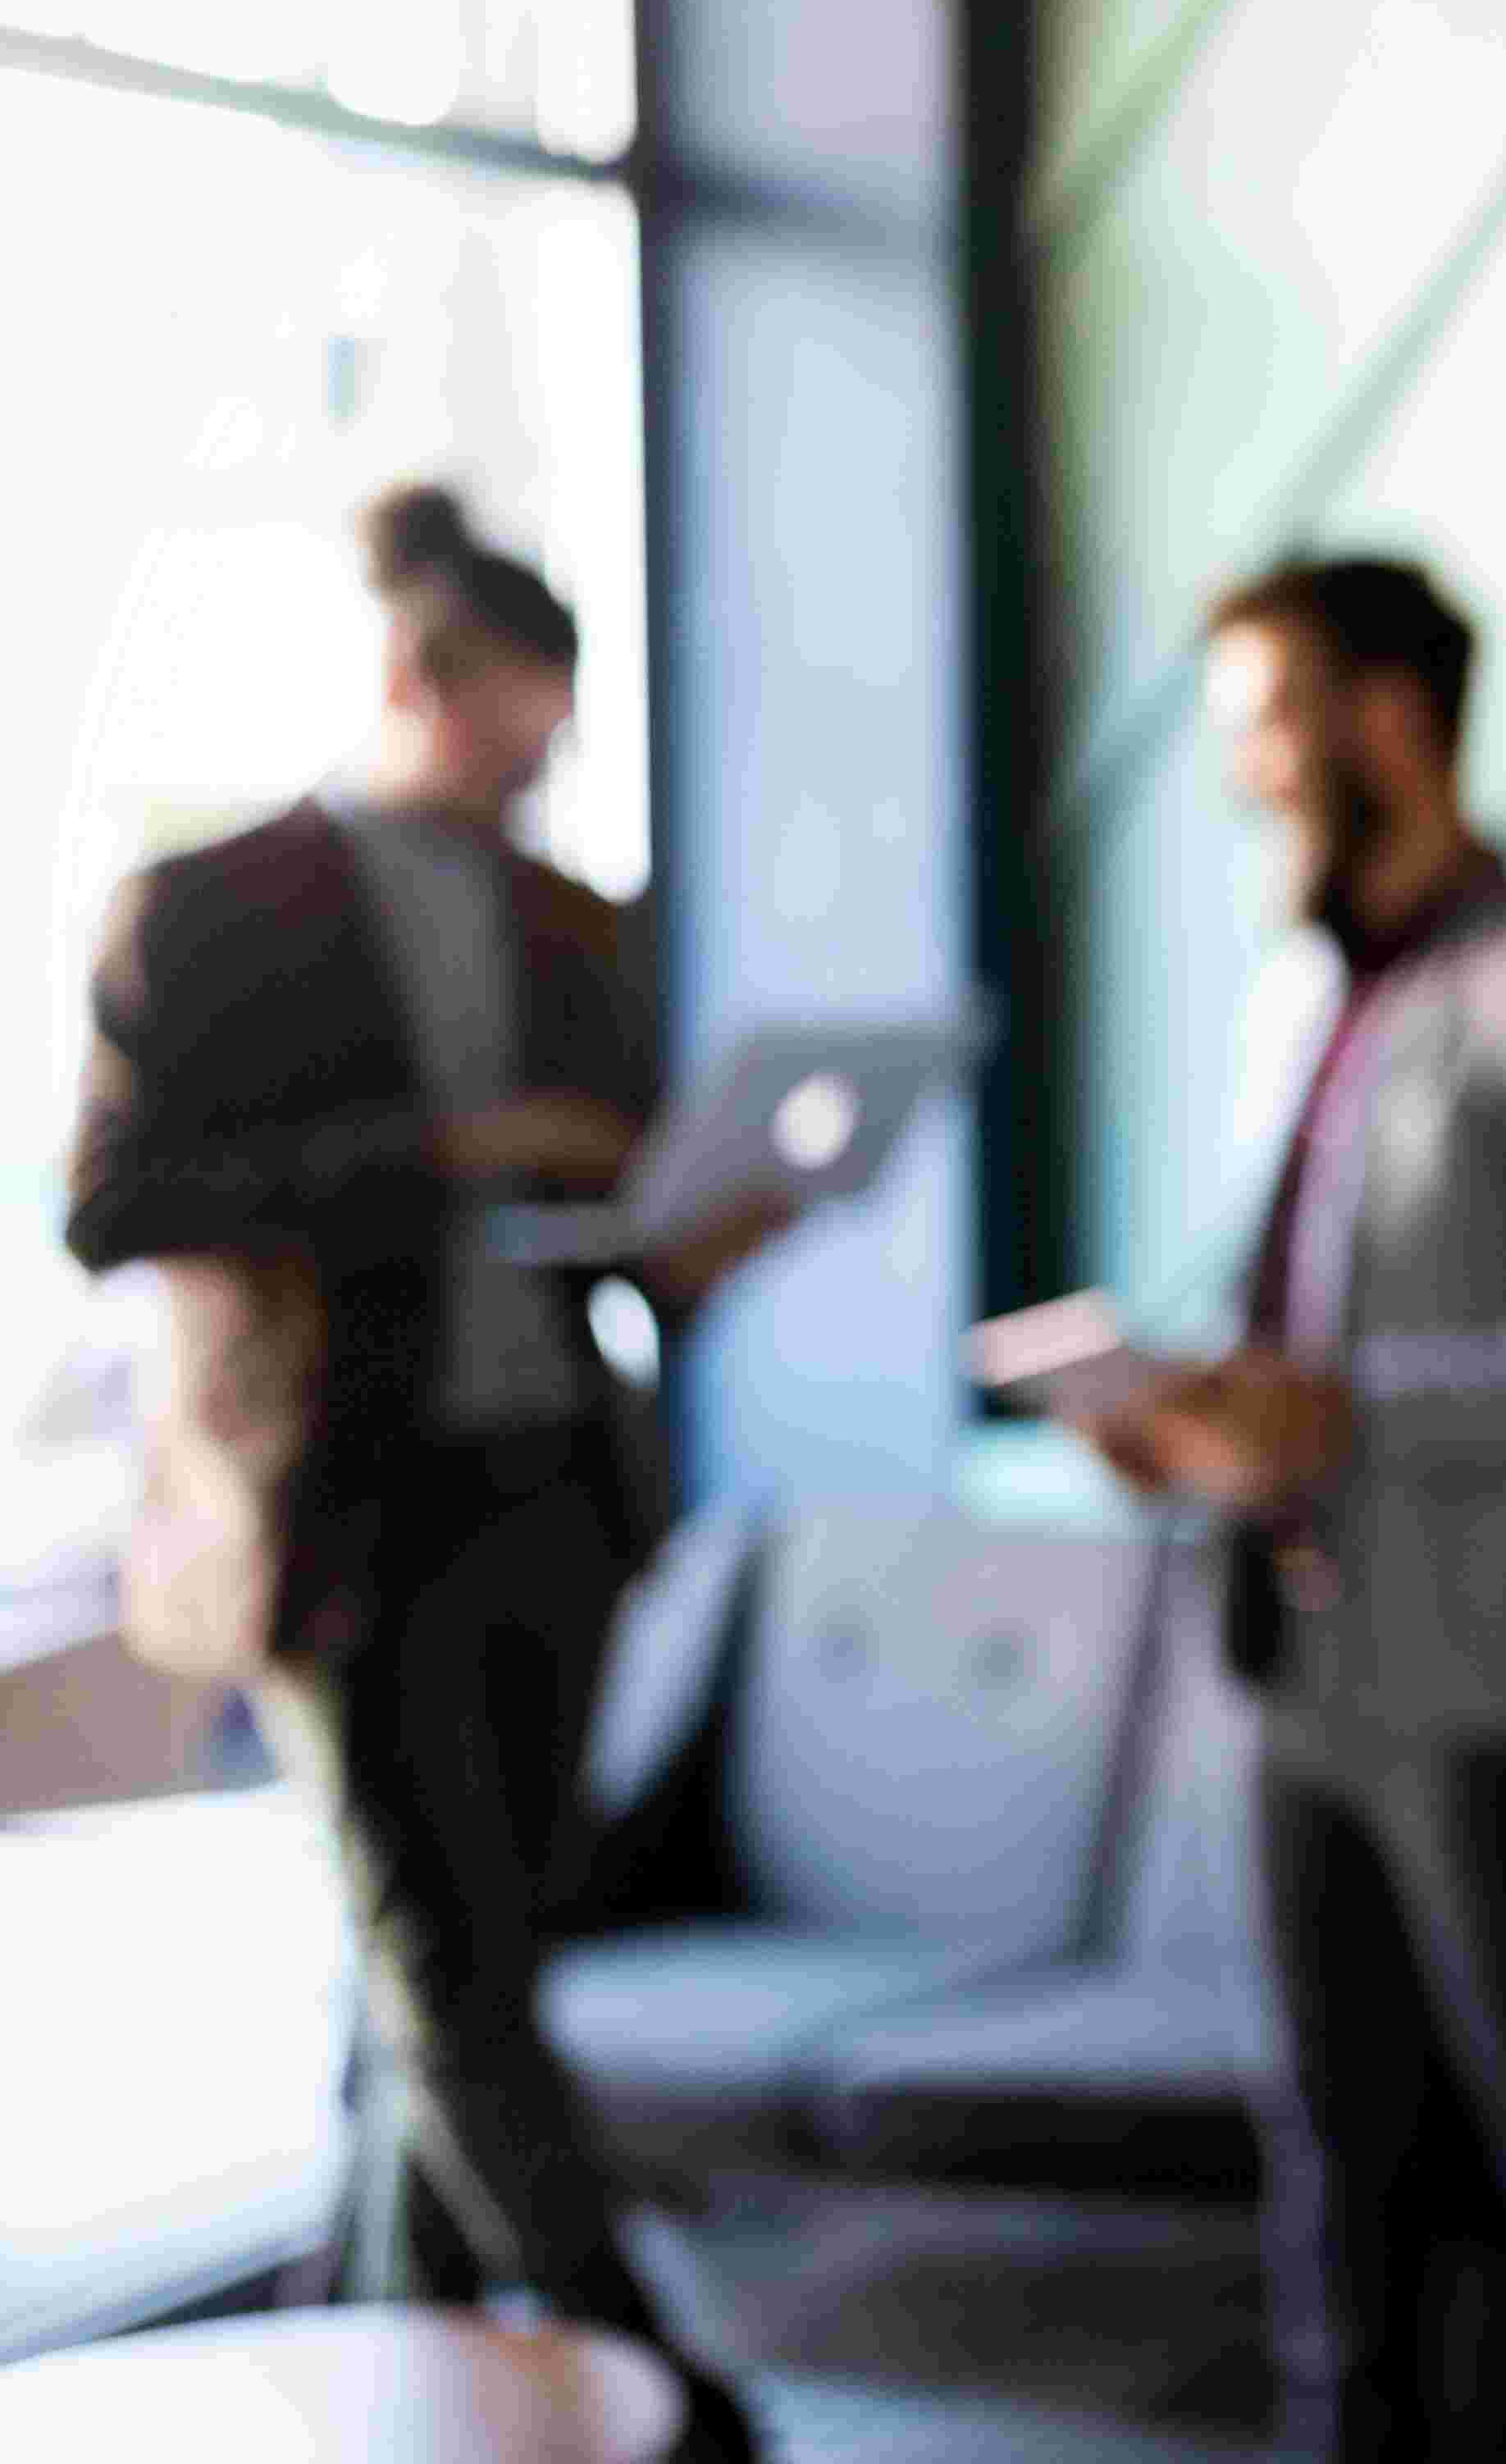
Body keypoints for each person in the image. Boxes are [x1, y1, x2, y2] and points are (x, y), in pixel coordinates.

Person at [64, 484, 779, 2462]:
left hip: (548, 1490)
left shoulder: (574, 919)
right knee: (448, 1979)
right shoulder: (216, 906)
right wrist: (445, 1153)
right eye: (515, 727)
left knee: (455, 1982)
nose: (537, 772)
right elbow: (113, 1203)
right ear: (420, 681)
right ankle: (685, 2397)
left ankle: (405, 2383)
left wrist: (701, 1238)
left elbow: (620, 1219)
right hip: (332, 1517)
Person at [1079, 558, 1506, 2464]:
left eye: (1265, 721)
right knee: (1337, 2195)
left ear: (1388, 720)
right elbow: (1317, 1315)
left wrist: (1341, 1418)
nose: (1243, 774)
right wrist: (1187, 1409)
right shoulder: (1304, 1000)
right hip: (1307, 1680)